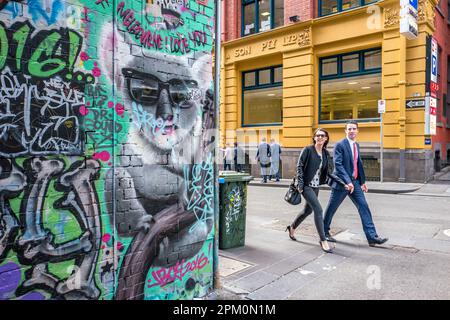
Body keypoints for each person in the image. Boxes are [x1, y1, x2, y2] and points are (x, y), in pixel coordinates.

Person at [323, 120, 388, 247]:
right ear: (345, 131)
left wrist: (362, 182)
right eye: (349, 129)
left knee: (364, 206)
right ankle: (324, 232)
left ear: (357, 131)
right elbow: (338, 165)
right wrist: (347, 182)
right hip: (342, 183)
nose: (352, 131)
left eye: (354, 129)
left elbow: (358, 164)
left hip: (355, 182)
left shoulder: (356, 145)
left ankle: (372, 237)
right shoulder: (340, 145)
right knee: (332, 208)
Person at [286, 128, 347, 253]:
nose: (319, 137)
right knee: (318, 210)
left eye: (322, 136)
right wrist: (301, 185)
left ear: (326, 139)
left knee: (307, 211)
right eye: (317, 135)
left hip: (315, 186)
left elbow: (329, 173)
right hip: (306, 185)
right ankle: (323, 239)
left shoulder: (325, 153)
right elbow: (299, 167)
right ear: (314, 138)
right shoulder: (307, 150)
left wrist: (343, 184)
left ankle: (292, 227)